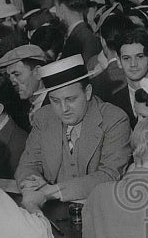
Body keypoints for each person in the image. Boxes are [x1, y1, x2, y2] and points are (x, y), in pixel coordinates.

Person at [15, 54, 132, 209]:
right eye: (55, 101)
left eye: (71, 99)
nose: (64, 109)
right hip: (53, 208)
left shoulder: (115, 119)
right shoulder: (43, 117)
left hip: (99, 209)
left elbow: (109, 175)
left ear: (88, 92)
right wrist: (30, 183)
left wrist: (51, 191)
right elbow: (28, 164)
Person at [0, 43, 49, 128]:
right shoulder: (20, 108)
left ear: (38, 72)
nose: (12, 82)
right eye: (9, 76)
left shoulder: (55, 106)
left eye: (17, 74)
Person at [53, 0, 101, 69]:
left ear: (62, 8)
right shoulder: (79, 34)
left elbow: (90, 71)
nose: (56, 14)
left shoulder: (85, 37)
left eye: (56, 7)